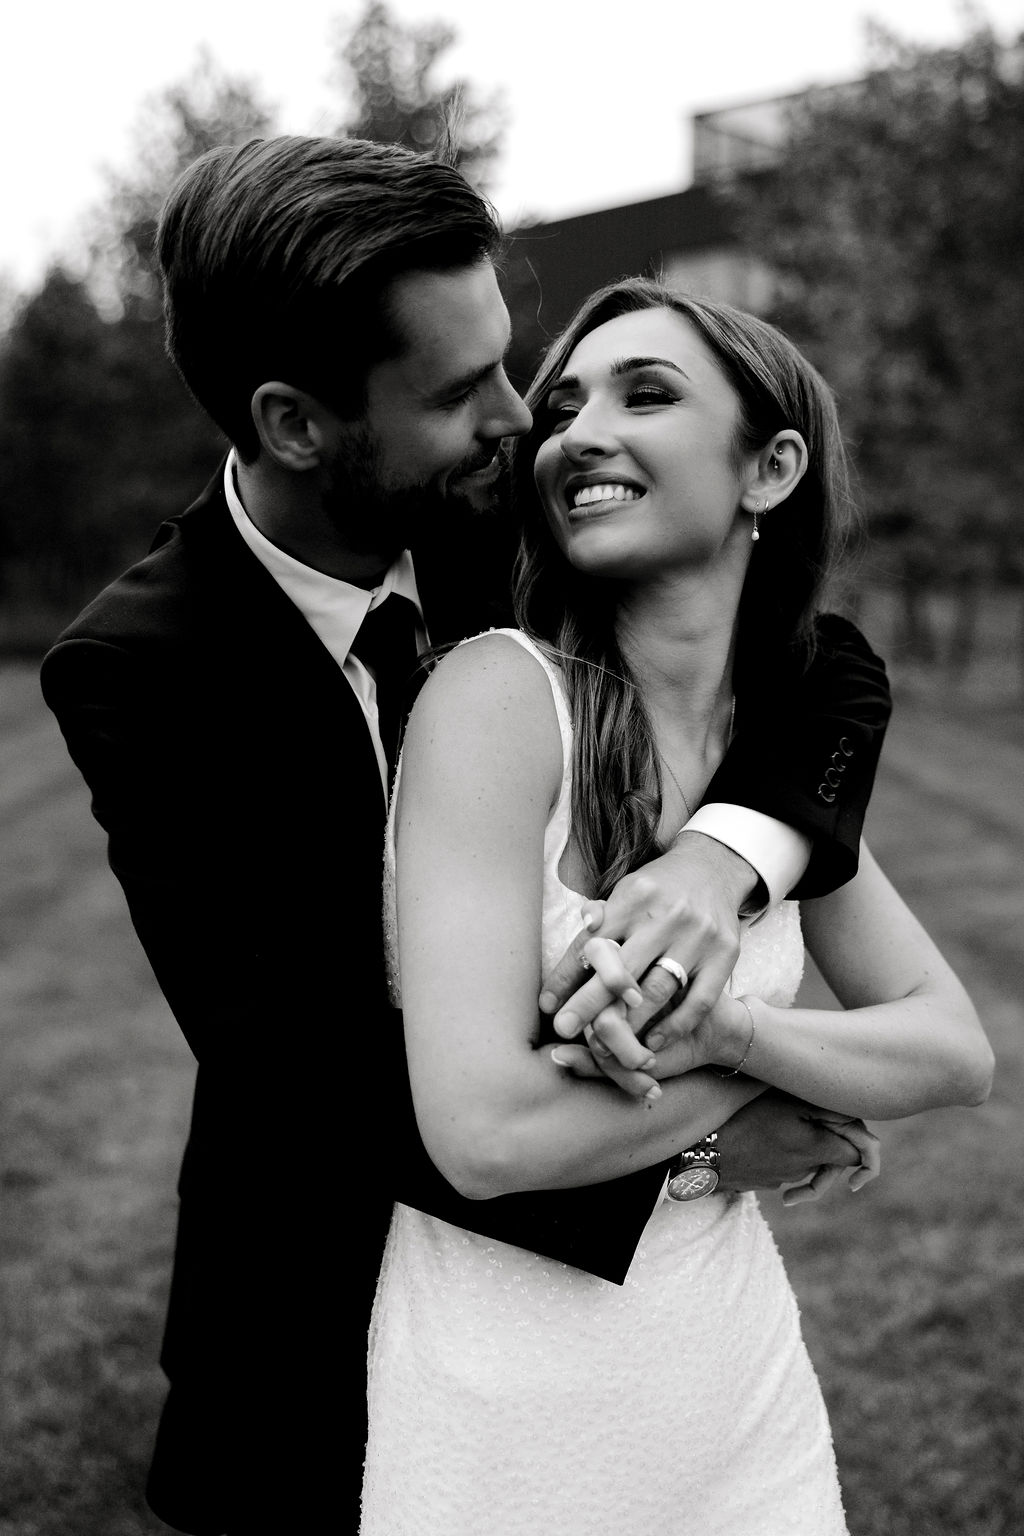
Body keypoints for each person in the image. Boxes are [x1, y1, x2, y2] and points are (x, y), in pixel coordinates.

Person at [40, 137, 893, 1535]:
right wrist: (698, 1136)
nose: (523, 418)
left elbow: (827, 665)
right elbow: (304, 1065)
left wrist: (725, 852)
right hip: (320, 1312)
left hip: (590, 1345)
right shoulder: (142, 667)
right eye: (461, 390)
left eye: (510, 362)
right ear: (298, 422)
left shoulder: (500, 508)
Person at [362, 278, 994, 1535]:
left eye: (644, 394)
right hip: (510, 1417)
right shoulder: (496, 703)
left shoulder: (777, 770)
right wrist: (764, 1101)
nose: (578, 430)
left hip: (736, 1391)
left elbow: (953, 1048)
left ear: (770, 469)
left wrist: (736, 1038)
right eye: (565, 407)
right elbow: (484, 1134)